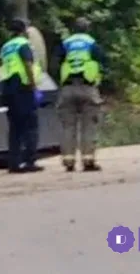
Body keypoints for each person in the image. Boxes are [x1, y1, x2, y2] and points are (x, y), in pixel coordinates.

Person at [56, 17, 105, 172]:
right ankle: (88, 161)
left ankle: (68, 161)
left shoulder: (66, 43)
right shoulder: (91, 43)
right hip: (87, 88)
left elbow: (55, 61)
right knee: (88, 125)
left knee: (68, 126)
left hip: (67, 88)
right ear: (87, 29)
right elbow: (102, 60)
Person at [0, 17, 45, 173]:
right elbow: (27, 64)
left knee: (14, 128)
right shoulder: (23, 45)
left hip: (8, 88)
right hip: (23, 87)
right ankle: (30, 161)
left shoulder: (6, 47)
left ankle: (13, 162)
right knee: (31, 126)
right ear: (23, 30)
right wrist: (33, 86)